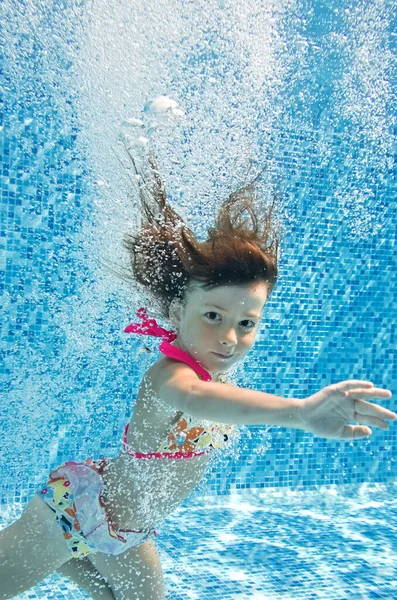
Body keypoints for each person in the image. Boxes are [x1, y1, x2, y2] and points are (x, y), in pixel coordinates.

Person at [0, 148, 394, 600]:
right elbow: (197, 401)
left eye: (246, 324)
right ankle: (65, 553)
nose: (229, 337)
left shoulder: (217, 377)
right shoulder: (169, 378)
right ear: (176, 310)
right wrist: (300, 412)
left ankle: (74, 560)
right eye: (212, 315)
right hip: (75, 513)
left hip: (128, 531)